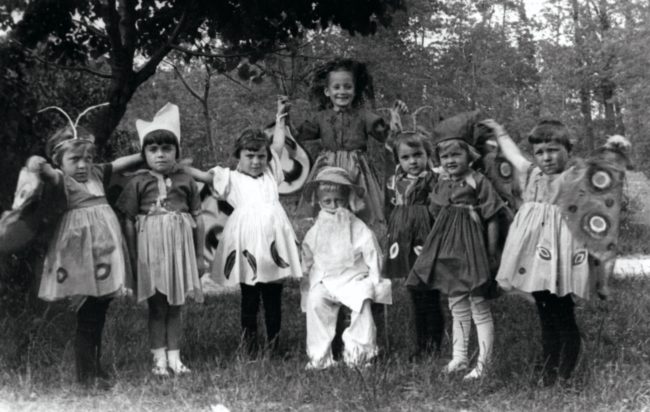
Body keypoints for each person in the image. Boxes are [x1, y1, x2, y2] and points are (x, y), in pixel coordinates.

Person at [484, 119, 630, 385]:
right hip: (533, 257)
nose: (546, 157)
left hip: (560, 259)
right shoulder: (531, 173)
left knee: (563, 313)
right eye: (540, 151)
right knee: (544, 314)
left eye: (553, 150)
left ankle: (564, 375)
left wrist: (614, 149)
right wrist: (501, 132)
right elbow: (515, 155)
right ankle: (548, 370)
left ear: (567, 149)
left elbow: (604, 172)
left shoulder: (575, 176)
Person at [27, 105, 140, 387]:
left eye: (87, 158)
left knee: (99, 313)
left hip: (104, 257)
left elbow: (123, 162)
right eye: (74, 159)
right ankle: (85, 377)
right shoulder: (62, 180)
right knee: (87, 317)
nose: (82, 165)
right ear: (60, 161)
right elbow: (43, 169)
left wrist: (146, 152)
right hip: (82, 261)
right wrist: (36, 162)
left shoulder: (98, 174)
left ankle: (95, 369)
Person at [187, 98, 302, 356]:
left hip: (273, 244)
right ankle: (249, 347)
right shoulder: (230, 179)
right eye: (249, 156)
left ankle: (274, 346)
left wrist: (280, 119)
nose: (255, 161)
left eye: (260, 156)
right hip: (247, 245)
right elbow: (204, 176)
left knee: (273, 298)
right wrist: (177, 167)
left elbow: (278, 144)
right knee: (249, 298)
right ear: (238, 156)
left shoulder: (272, 174)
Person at [407, 124, 504, 380]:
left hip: (472, 249)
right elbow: (436, 211)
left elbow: (492, 215)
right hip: (447, 249)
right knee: (456, 303)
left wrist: (492, 252)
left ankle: (484, 363)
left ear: (469, 155)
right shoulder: (442, 182)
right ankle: (459, 357)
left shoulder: (478, 181)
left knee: (478, 304)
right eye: (445, 157)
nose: (450, 161)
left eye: (455, 155)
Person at [117, 103, 204, 376]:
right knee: (157, 305)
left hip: (178, 250)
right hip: (150, 251)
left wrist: (200, 256)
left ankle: (175, 358)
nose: (161, 155)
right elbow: (129, 222)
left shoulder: (185, 180)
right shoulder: (138, 182)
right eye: (153, 149)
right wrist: (133, 257)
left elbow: (198, 218)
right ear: (144, 153)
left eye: (167, 149)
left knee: (176, 304)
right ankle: (159, 360)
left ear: (177, 151)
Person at [294, 58, 404, 234]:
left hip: (357, 169)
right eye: (336, 87)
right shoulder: (320, 118)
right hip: (327, 167)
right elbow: (297, 135)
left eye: (347, 87)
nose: (342, 92)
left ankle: (357, 246)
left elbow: (386, 136)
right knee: (328, 206)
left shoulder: (364, 116)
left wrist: (395, 119)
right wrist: (282, 119)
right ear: (327, 91)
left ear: (355, 90)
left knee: (357, 209)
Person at [300, 167, 392, 369]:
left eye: (339, 201)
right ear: (319, 202)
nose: (334, 206)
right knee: (316, 301)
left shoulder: (357, 226)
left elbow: (372, 252)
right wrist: (306, 277)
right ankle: (319, 357)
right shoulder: (316, 229)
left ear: (347, 200)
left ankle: (358, 355)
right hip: (325, 279)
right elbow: (307, 255)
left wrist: (375, 279)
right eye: (327, 202)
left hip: (353, 278)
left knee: (362, 300)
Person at [384, 130, 444, 360]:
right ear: (399, 161)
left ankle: (434, 345)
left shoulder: (434, 179)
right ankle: (421, 345)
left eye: (418, 155)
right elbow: (390, 209)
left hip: (425, 238)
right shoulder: (396, 181)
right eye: (405, 157)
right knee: (415, 294)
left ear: (427, 155)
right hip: (405, 240)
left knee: (429, 293)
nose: (413, 162)